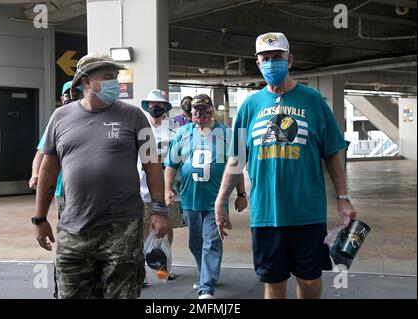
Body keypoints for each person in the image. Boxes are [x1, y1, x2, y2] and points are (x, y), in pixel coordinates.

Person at [214, 32, 357, 299]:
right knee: (273, 282)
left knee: (310, 280)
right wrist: (221, 200)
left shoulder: (313, 100)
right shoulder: (249, 106)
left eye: (276, 57)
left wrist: (343, 197)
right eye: (265, 59)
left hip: (307, 213)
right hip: (266, 214)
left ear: (289, 60)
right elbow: (236, 159)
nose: (271, 63)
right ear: (258, 64)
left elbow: (333, 152)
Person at [32, 52, 169, 299]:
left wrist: (159, 210)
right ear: (85, 82)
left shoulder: (134, 116)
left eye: (115, 76)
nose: (115, 82)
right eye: (107, 77)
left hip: (122, 227)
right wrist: (39, 218)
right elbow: (48, 171)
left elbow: (152, 164)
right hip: (73, 229)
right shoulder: (60, 118)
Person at [165, 94, 247, 299]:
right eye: (196, 111)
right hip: (190, 198)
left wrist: (241, 193)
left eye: (204, 110)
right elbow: (171, 164)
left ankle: (206, 287)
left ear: (211, 111)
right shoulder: (183, 133)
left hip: (215, 200)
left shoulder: (227, 133)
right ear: (191, 113)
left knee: (211, 240)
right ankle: (206, 274)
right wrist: (167, 189)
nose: (200, 115)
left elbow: (235, 166)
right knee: (195, 242)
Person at [138, 89, 184, 283]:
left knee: (166, 228)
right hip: (141, 188)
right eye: (152, 104)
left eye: (160, 105)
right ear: (146, 106)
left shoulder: (176, 129)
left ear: (166, 107)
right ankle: (140, 272)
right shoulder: (139, 128)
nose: (155, 108)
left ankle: (164, 268)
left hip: (168, 190)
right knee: (143, 229)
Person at [29, 80, 83, 219]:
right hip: (63, 190)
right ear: (61, 98)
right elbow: (42, 152)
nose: (71, 98)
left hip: (90, 189)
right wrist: (35, 174)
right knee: (68, 229)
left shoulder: (93, 119)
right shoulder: (58, 122)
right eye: (67, 95)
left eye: (77, 94)